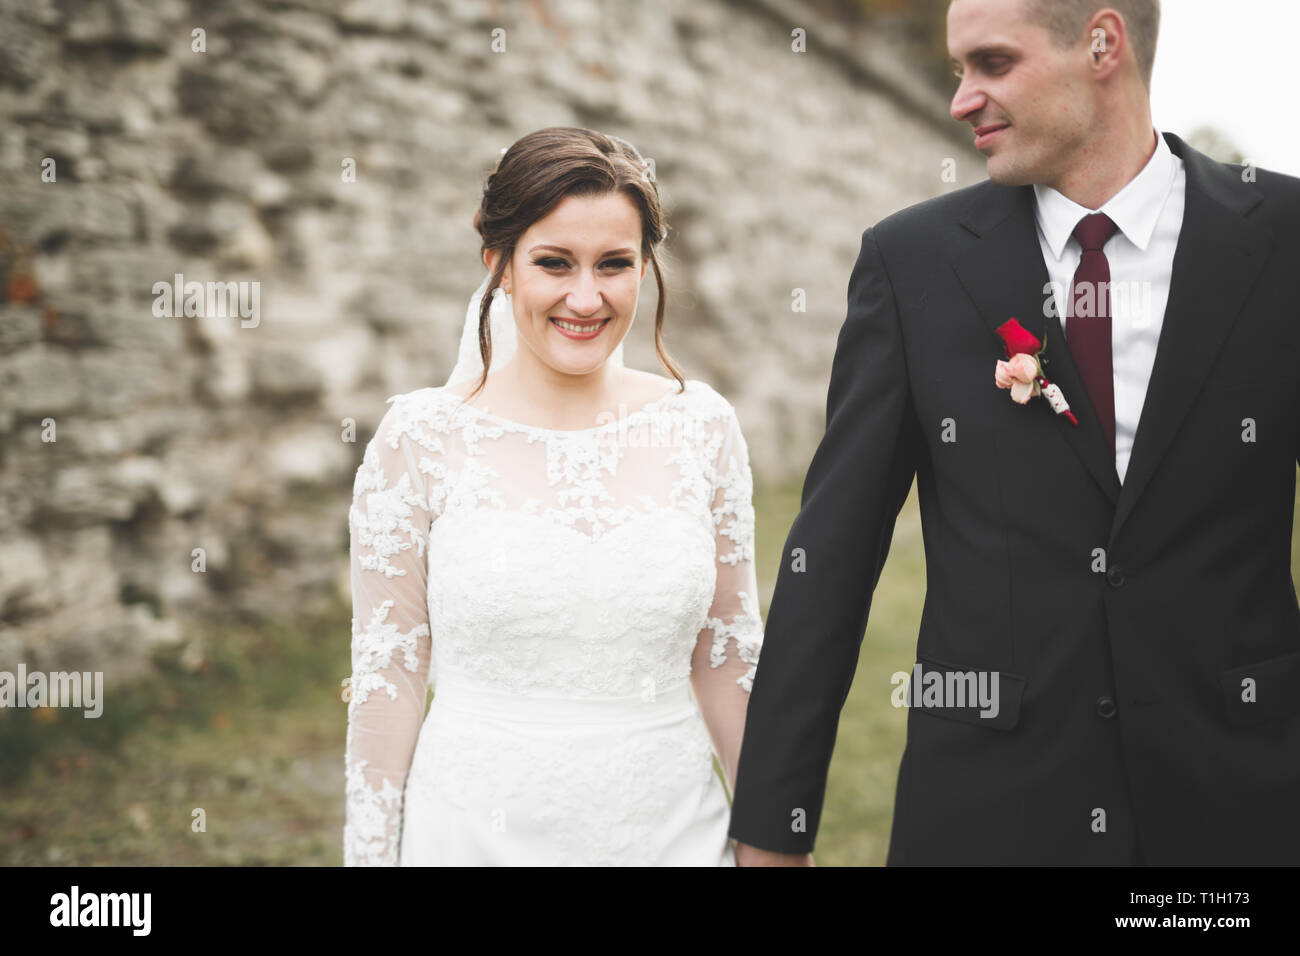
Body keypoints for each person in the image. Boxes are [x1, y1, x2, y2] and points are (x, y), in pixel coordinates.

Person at [729, 0, 1300, 865]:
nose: (963, 98)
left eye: (992, 63)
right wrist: (773, 830)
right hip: (987, 810)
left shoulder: (1282, 239)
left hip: (1239, 806)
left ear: (1102, 44)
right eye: (959, 70)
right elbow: (832, 561)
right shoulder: (911, 262)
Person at [343, 127, 763, 865]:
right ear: (498, 267)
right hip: (473, 833)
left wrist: (771, 837)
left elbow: (727, 656)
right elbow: (390, 675)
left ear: (644, 268)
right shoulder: (420, 439)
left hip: (671, 832)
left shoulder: (702, 427)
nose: (585, 296)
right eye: (553, 263)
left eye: (614, 264)